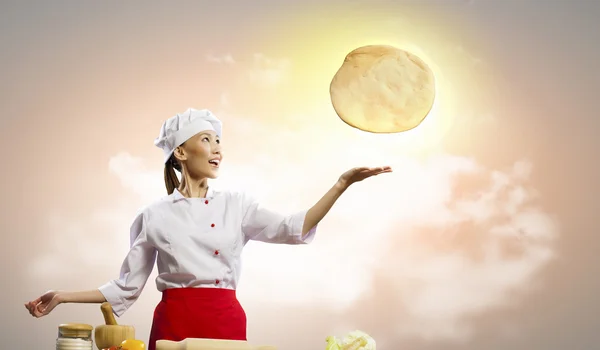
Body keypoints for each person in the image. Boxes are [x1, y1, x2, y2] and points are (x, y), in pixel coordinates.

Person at [25, 108, 392, 349]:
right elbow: (125, 286)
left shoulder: (237, 204)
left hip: (225, 320)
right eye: (206, 140)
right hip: (175, 321)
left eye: (219, 141)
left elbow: (293, 228)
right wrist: (62, 296)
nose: (217, 149)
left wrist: (342, 184)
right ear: (181, 153)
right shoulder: (152, 215)